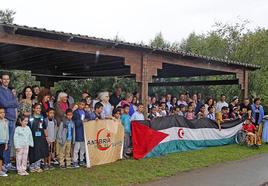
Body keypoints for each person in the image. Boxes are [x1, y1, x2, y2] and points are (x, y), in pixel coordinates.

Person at [0, 72, 18, 171]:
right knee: (3, 142)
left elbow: (16, 103)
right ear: (1, 80)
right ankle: (2, 164)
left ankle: (7, 163)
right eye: (4, 79)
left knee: (10, 143)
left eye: (8, 79)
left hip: (12, 119)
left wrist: (11, 103)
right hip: (5, 120)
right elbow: (4, 103)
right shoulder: (0, 90)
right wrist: (12, 102)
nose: (6, 80)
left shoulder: (10, 91)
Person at [28, 103, 48, 173]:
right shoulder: (30, 118)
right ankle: (32, 166)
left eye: (39, 108)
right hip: (33, 138)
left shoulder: (42, 118)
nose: (38, 109)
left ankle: (37, 166)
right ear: (33, 109)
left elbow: (44, 128)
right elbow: (28, 128)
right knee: (32, 151)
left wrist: (46, 136)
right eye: (37, 108)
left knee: (39, 151)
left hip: (40, 138)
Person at [72, 99, 90, 168]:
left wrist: (87, 120)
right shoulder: (75, 113)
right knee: (76, 148)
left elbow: (89, 118)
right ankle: (75, 161)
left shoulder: (86, 112)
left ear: (85, 105)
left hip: (84, 132)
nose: (81, 106)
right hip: (78, 132)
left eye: (83, 105)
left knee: (83, 148)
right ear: (78, 104)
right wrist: (81, 121)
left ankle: (81, 160)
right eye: (80, 104)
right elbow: (75, 123)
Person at [0, 107, 9, 177]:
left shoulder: (6, 121)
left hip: (3, 142)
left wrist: (6, 143)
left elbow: (7, 132)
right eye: (1, 113)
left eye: (3, 112)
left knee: (1, 156)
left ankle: (0, 169)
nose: (2, 114)